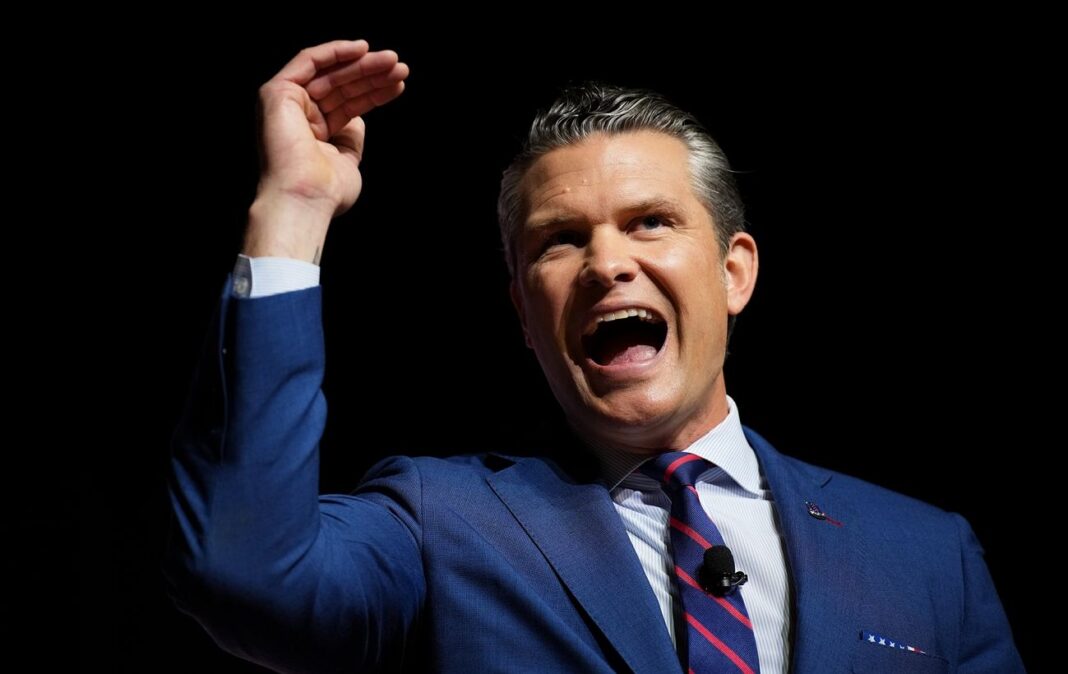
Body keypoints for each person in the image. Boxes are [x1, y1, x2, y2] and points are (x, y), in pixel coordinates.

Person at [165, 39, 1024, 673]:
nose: (607, 263)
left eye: (650, 222)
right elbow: (244, 573)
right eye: (561, 240)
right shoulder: (439, 525)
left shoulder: (927, 555)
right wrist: (293, 208)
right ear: (524, 313)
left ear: (734, 272)